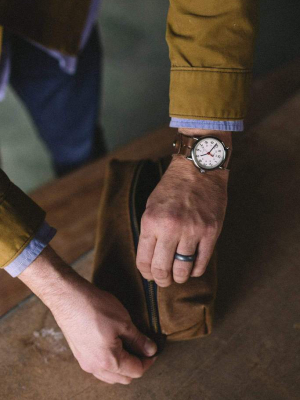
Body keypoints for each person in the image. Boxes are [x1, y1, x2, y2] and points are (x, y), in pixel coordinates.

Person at [0, 0, 259, 385]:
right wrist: (55, 288)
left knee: (75, 140)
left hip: (55, 16)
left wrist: (200, 167)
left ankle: (84, 174)